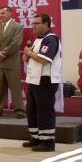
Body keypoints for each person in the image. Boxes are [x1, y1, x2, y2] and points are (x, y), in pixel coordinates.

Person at [22, 14, 62, 152]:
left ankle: (48, 142)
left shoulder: (51, 39)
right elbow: (28, 59)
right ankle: (35, 138)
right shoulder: (37, 40)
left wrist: (29, 53)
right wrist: (27, 55)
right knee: (32, 110)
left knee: (44, 111)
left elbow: (45, 59)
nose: (33, 25)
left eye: (37, 23)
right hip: (34, 79)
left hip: (45, 80)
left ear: (46, 24)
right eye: (33, 23)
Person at [0, 6, 25, 118]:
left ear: (10, 13)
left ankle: (19, 111)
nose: (1, 15)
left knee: (15, 88)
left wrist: (2, 54)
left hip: (11, 61)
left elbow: (16, 43)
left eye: (3, 13)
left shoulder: (17, 27)